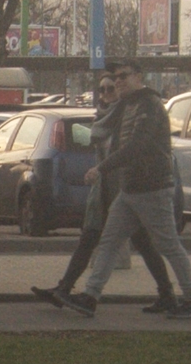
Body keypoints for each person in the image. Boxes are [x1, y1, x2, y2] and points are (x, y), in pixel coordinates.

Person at [58, 61, 191, 318]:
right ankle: (90, 297)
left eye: (124, 76)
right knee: (109, 241)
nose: (118, 81)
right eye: (116, 78)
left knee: (168, 245)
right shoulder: (128, 105)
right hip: (130, 190)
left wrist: (101, 168)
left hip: (153, 188)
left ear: (139, 77)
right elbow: (106, 131)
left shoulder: (149, 105)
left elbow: (137, 146)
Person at [33, 71, 180, 314]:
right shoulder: (103, 117)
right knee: (101, 238)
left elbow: (126, 151)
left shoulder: (126, 115)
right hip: (105, 188)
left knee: (128, 241)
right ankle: (66, 288)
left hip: (122, 187)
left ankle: (77, 292)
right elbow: (93, 140)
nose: (105, 95)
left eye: (110, 89)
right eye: (101, 90)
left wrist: (102, 170)